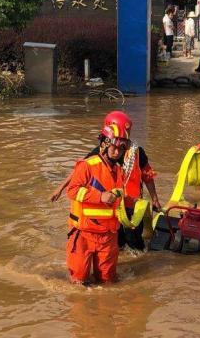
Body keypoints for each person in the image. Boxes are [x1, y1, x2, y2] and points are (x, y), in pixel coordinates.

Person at [51, 111, 161, 251]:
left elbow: (147, 176)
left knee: (134, 242)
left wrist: (155, 199)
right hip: (114, 204)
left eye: (122, 146)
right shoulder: (100, 151)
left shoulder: (136, 152)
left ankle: (138, 267)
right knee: (118, 241)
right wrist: (60, 188)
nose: (117, 151)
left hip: (132, 204)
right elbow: (80, 170)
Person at [64, 122, 130, 285]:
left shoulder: (119, 171)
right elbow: (72, 190)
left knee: (108, 282)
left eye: (121, 148)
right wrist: (100, 197)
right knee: (78, 282)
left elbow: (120, 198)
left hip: (108, 236)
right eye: (115, 147)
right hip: (83, 234)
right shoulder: (87, 166)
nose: (117, 152)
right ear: (103, 144)